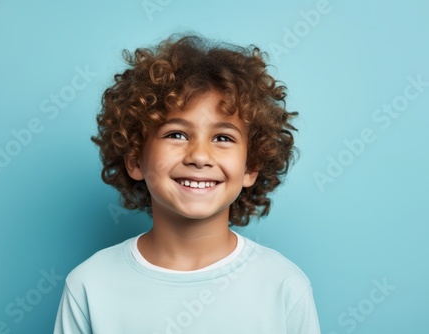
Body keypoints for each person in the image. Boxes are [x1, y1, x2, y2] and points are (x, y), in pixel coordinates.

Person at [53, 34, 321, 334]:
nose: (199, 156)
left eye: (223, 138)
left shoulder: (284, 286)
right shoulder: (89, 285)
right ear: (135, 159)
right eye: (176, 134)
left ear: (251, 167)